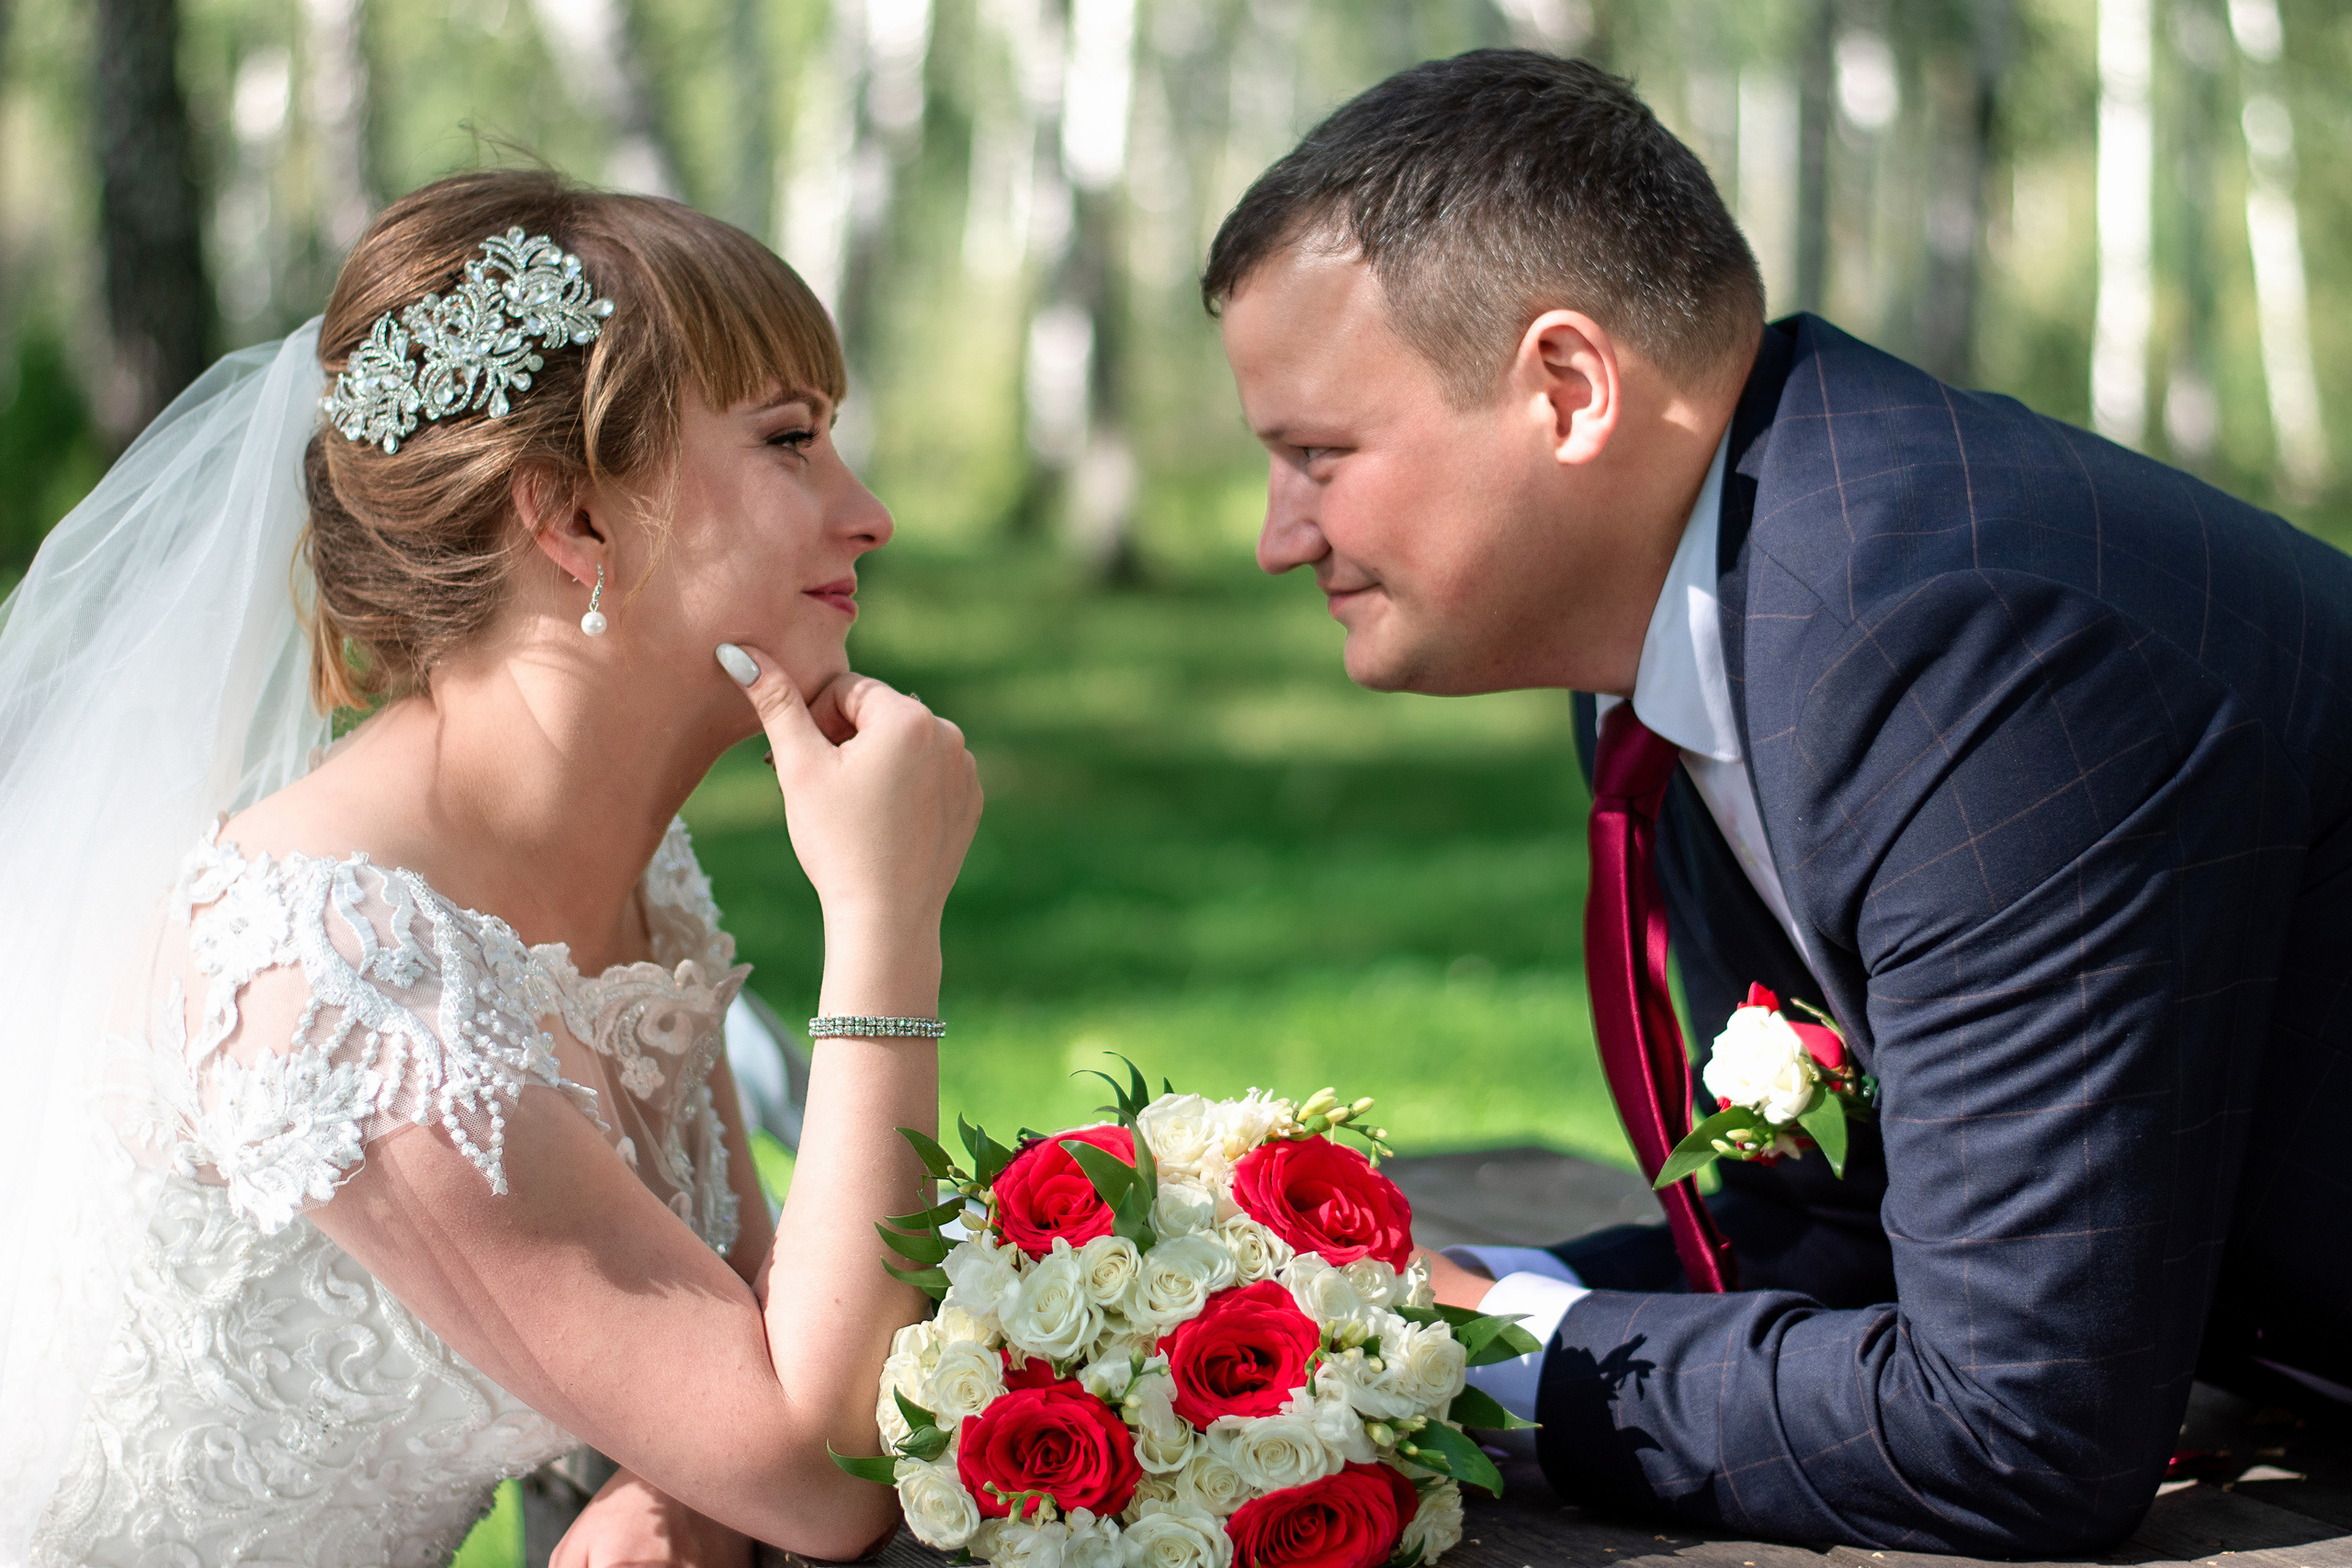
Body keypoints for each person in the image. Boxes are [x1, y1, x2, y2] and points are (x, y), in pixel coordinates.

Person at [1204, 49, 2352, 1556]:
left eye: (1319, 456)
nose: (1283, 538)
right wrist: (1382, 1313)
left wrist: (1491, 1354)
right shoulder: (1696, 603)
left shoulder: (1948, 641)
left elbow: (2018, 1429)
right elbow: (1851, 1232)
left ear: (1567, 388)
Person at [0, 168, 981, 1566]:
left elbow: (782, 1349)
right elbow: (823, 1477)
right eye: (792, 442)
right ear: (572, 521)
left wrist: (679, 1479)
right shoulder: (331, 981)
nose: (867, 510)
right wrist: (887, 922)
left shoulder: (645, 879)